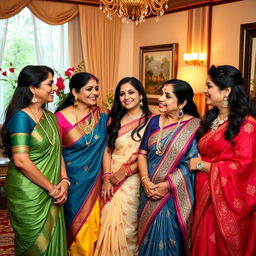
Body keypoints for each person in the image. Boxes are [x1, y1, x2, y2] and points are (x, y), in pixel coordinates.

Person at [189, 65, 256, 256]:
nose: (204, 91)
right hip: (204, 197)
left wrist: (203, 165)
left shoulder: (247, 124)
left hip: (224, 202)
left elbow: (244, 168)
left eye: (209, 86)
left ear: (226, 91)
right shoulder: (211, 120)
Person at [1, 65, 68, 256]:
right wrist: (52, 189)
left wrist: (64, 180)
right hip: (29, 193)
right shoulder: (21, 118)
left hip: (52, 187)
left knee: (54, 239)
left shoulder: (50, 117)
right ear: (33, 88)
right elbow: (21, 161)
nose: (55, 88)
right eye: (50, 84)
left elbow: (57, 152)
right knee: (33, 245)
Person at [137, 79, 200, 256]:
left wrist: (167, 185)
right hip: (147, 192)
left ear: (183, 102)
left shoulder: (194, 126)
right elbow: (141, 153)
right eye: (161, 93)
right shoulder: (154, 121)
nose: (161, 98)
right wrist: (145, 181)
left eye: (167, 96)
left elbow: (191, 165)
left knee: (171, 244)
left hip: (173, 196)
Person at [94, 77, 151, 256]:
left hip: (135, 181)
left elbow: (149, 154)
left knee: (129, 229)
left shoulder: (153, 121)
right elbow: (107, 151)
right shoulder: (114, 120)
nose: (126, 97)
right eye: (122, 93)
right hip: (111, 180)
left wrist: (125, 171)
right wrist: (106, 178)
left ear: (141, 94)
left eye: (131, 92)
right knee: (107, 223)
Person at [55, 72, 109, 256]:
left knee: (94, 230)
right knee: (73, 229)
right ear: (75, 92)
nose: (94, 92)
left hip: (95, 181)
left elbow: (111, 146)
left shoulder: (103, 115)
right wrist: (62, 180)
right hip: (70, 182)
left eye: (96, 88)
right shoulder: (59, 118)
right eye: (89, 89)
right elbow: (55, 154)